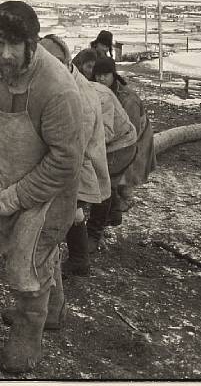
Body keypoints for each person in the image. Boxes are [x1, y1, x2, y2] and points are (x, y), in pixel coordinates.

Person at [0, 1, 84, 373]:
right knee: (32, 252)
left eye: (14, 45)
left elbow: (65, 161)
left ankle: (29, 332)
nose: (4, 54)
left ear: (32, 43)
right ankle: (52, 310)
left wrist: (15, 196)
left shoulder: (56, 89)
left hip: (51, 191)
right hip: (14, 177)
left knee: (26, 262)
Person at [39, 35, 110, 276]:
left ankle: (53, 266)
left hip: (78, 165)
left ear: (67, 61)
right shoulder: (57, 81)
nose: (48, 65)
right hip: (70, 164)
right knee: (73, 212)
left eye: (55, 60)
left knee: (60, 213)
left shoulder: (81, 98)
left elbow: (73, 149)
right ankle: (80, 259)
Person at [72, 49, 137, 253]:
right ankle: (115, 214)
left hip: (123, 144)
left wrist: (80, 141)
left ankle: (94, 234)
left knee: (101, 182)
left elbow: (106, 133)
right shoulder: (74, 92)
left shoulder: (100, 96)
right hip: (109, 144)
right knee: (104, 177)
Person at [93, 57, 156, 221]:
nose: (100, 79)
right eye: (97, 75)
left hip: (135, 134)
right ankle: (114, 204)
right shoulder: (98, 91)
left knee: (127, 171)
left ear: (113, 75)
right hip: (116, 134)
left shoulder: (128, 98)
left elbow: (131, 129)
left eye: (105, 75)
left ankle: (123, 202)